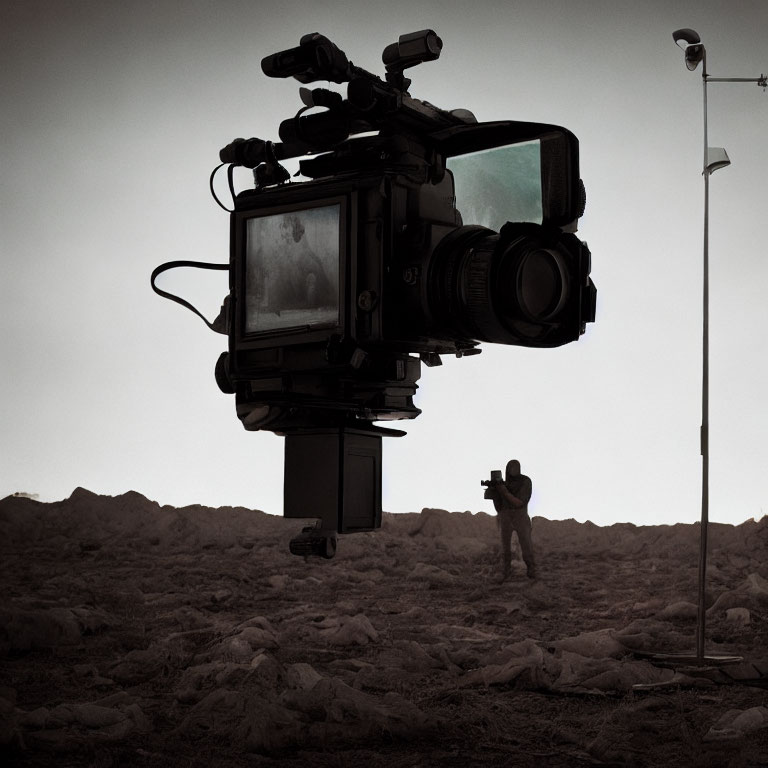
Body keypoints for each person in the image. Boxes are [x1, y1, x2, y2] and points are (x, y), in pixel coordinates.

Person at [486, 459, 536, 580]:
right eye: (511, 467)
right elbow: (499, 508)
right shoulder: (504, 484)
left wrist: (504, 491)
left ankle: (531, 569)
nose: (514, 470)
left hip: (520, 516)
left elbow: (519, 503)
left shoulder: (525, 481)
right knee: (505, 547)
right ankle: (506, 571)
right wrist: (494, 492)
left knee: (526, 544)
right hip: (506, 517)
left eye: (515, 467)